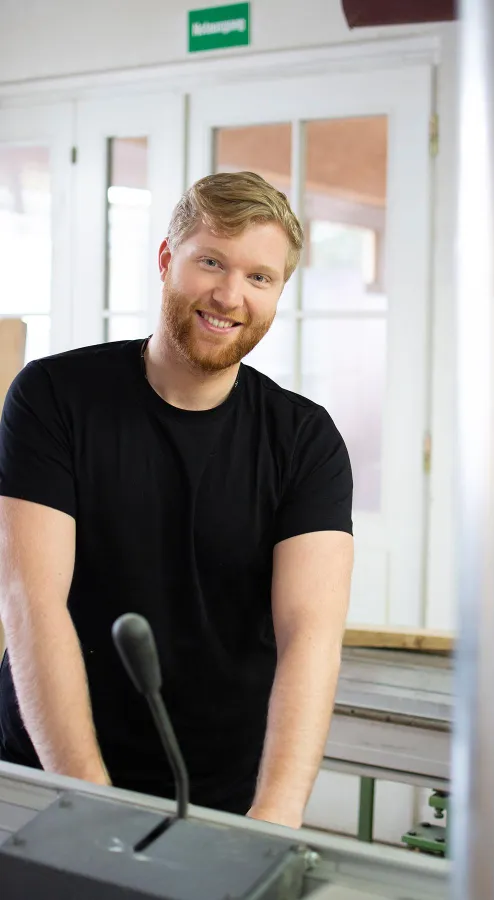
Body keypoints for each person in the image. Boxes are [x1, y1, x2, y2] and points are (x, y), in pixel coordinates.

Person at [0, 171, 353, 829]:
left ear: (278, 292)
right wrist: (88, 796)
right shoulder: (53, 397)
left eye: (259, 277)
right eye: (211, 262)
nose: (229, 295)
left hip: (219, 797)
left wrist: (274, 816)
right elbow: (31, 599)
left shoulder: (305, 440)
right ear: (168, 260)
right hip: (46, 780)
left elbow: (310, 632)